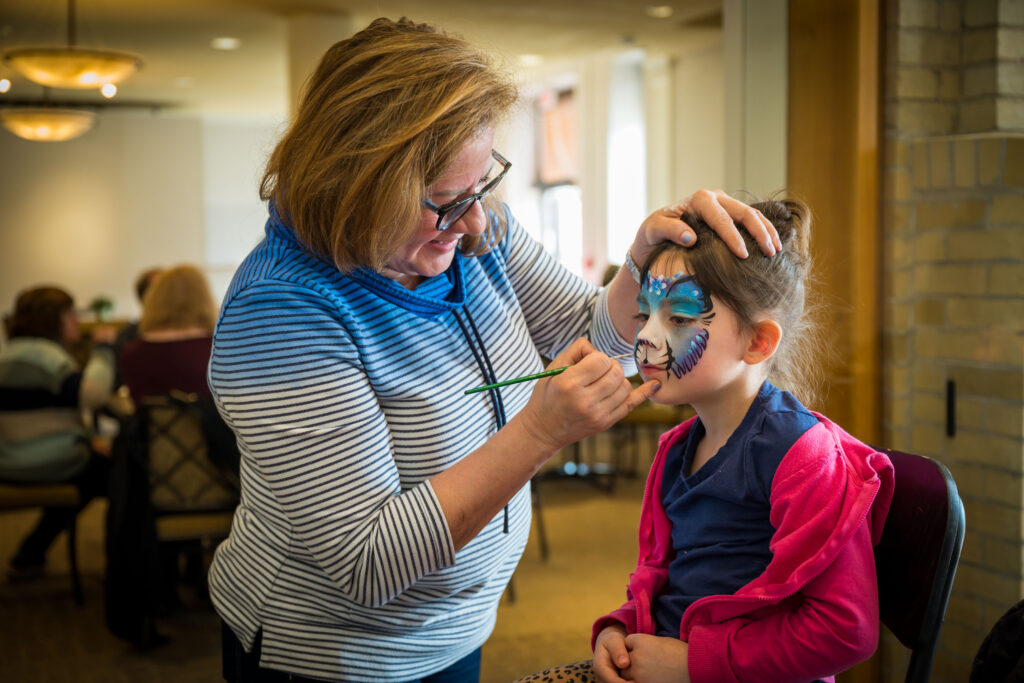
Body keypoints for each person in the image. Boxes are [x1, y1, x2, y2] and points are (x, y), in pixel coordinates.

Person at [209, 17, 780, 683]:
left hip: (456, 627)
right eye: (448, 202)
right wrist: (539, 431)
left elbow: (596, 337)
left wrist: (637, 263)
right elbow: (366, 560)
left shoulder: (470, 233)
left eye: (483, 187)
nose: (478, 221)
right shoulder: (279, 311)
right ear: (360, 187)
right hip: (334, 655)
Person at [516, 198, 895, 683]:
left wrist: (695, 664)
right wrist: (621, 627)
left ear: (757, 341)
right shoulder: (677, 450)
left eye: (677, 319)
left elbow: (845, 630)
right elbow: (665, 580)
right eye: (645, 313)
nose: (645, 341)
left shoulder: (803, 457)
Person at [0, 286, 117, 579]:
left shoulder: (12, 355)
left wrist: (88, 440)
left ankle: (30, 553)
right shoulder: (45, 358)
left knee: (96, 469)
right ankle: (127, 573)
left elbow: (43, 415)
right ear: (53, 319)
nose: (77, 320)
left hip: (10, 460)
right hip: (44, 462)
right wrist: (103, 350)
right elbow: (95, 395)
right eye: (71, 314)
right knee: (125, 473)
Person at [118, 264, 216, 405]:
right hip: (215, 426)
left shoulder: (132, 354)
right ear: (204, 298)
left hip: (150, 427)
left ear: (153, 299)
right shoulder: (219, 351)